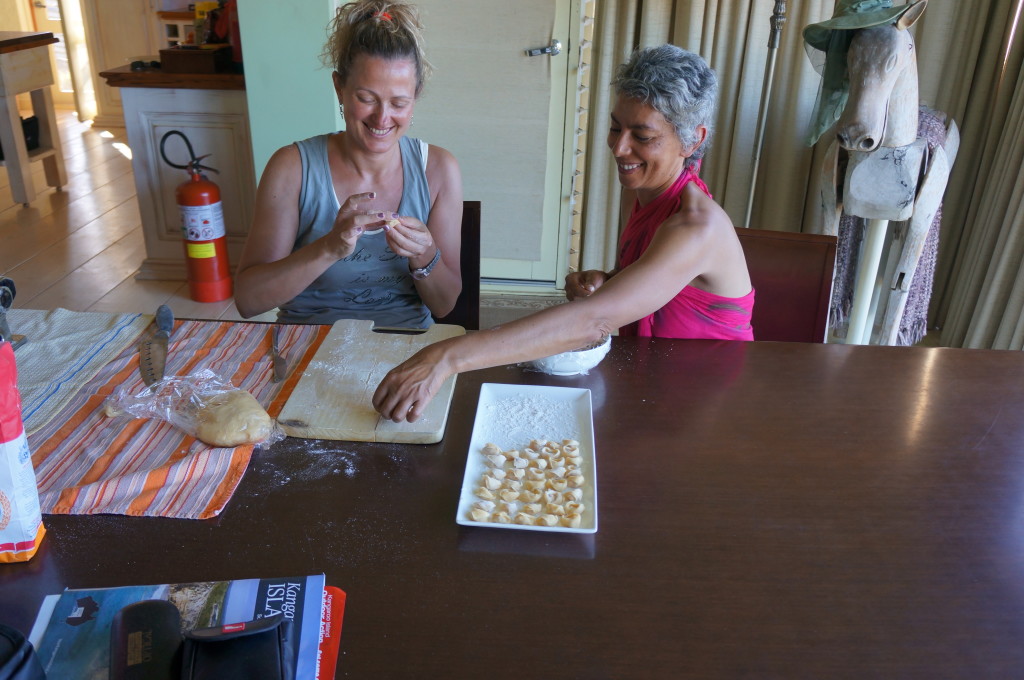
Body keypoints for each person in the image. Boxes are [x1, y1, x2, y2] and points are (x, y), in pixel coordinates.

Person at [373, 44, 753, 422]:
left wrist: (443, 357)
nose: (620, 148)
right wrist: (610, 281)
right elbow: (652, 285)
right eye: (615, 127)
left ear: (692, 140)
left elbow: (594, 322)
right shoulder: (641, 193)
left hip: (707, 403)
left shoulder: (696, 227)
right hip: (649, 383)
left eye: (643, 136)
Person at [234, 0, 462, 327]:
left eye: (399, 102)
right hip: (308, 342)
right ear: (339, 88)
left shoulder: (440, 170)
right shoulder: (292, 167)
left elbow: (444, 305)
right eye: (366, 99)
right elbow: (248, 300)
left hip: (403, 347)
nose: (382, 118)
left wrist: (424, 255)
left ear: (416, 95)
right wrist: (329, 247)